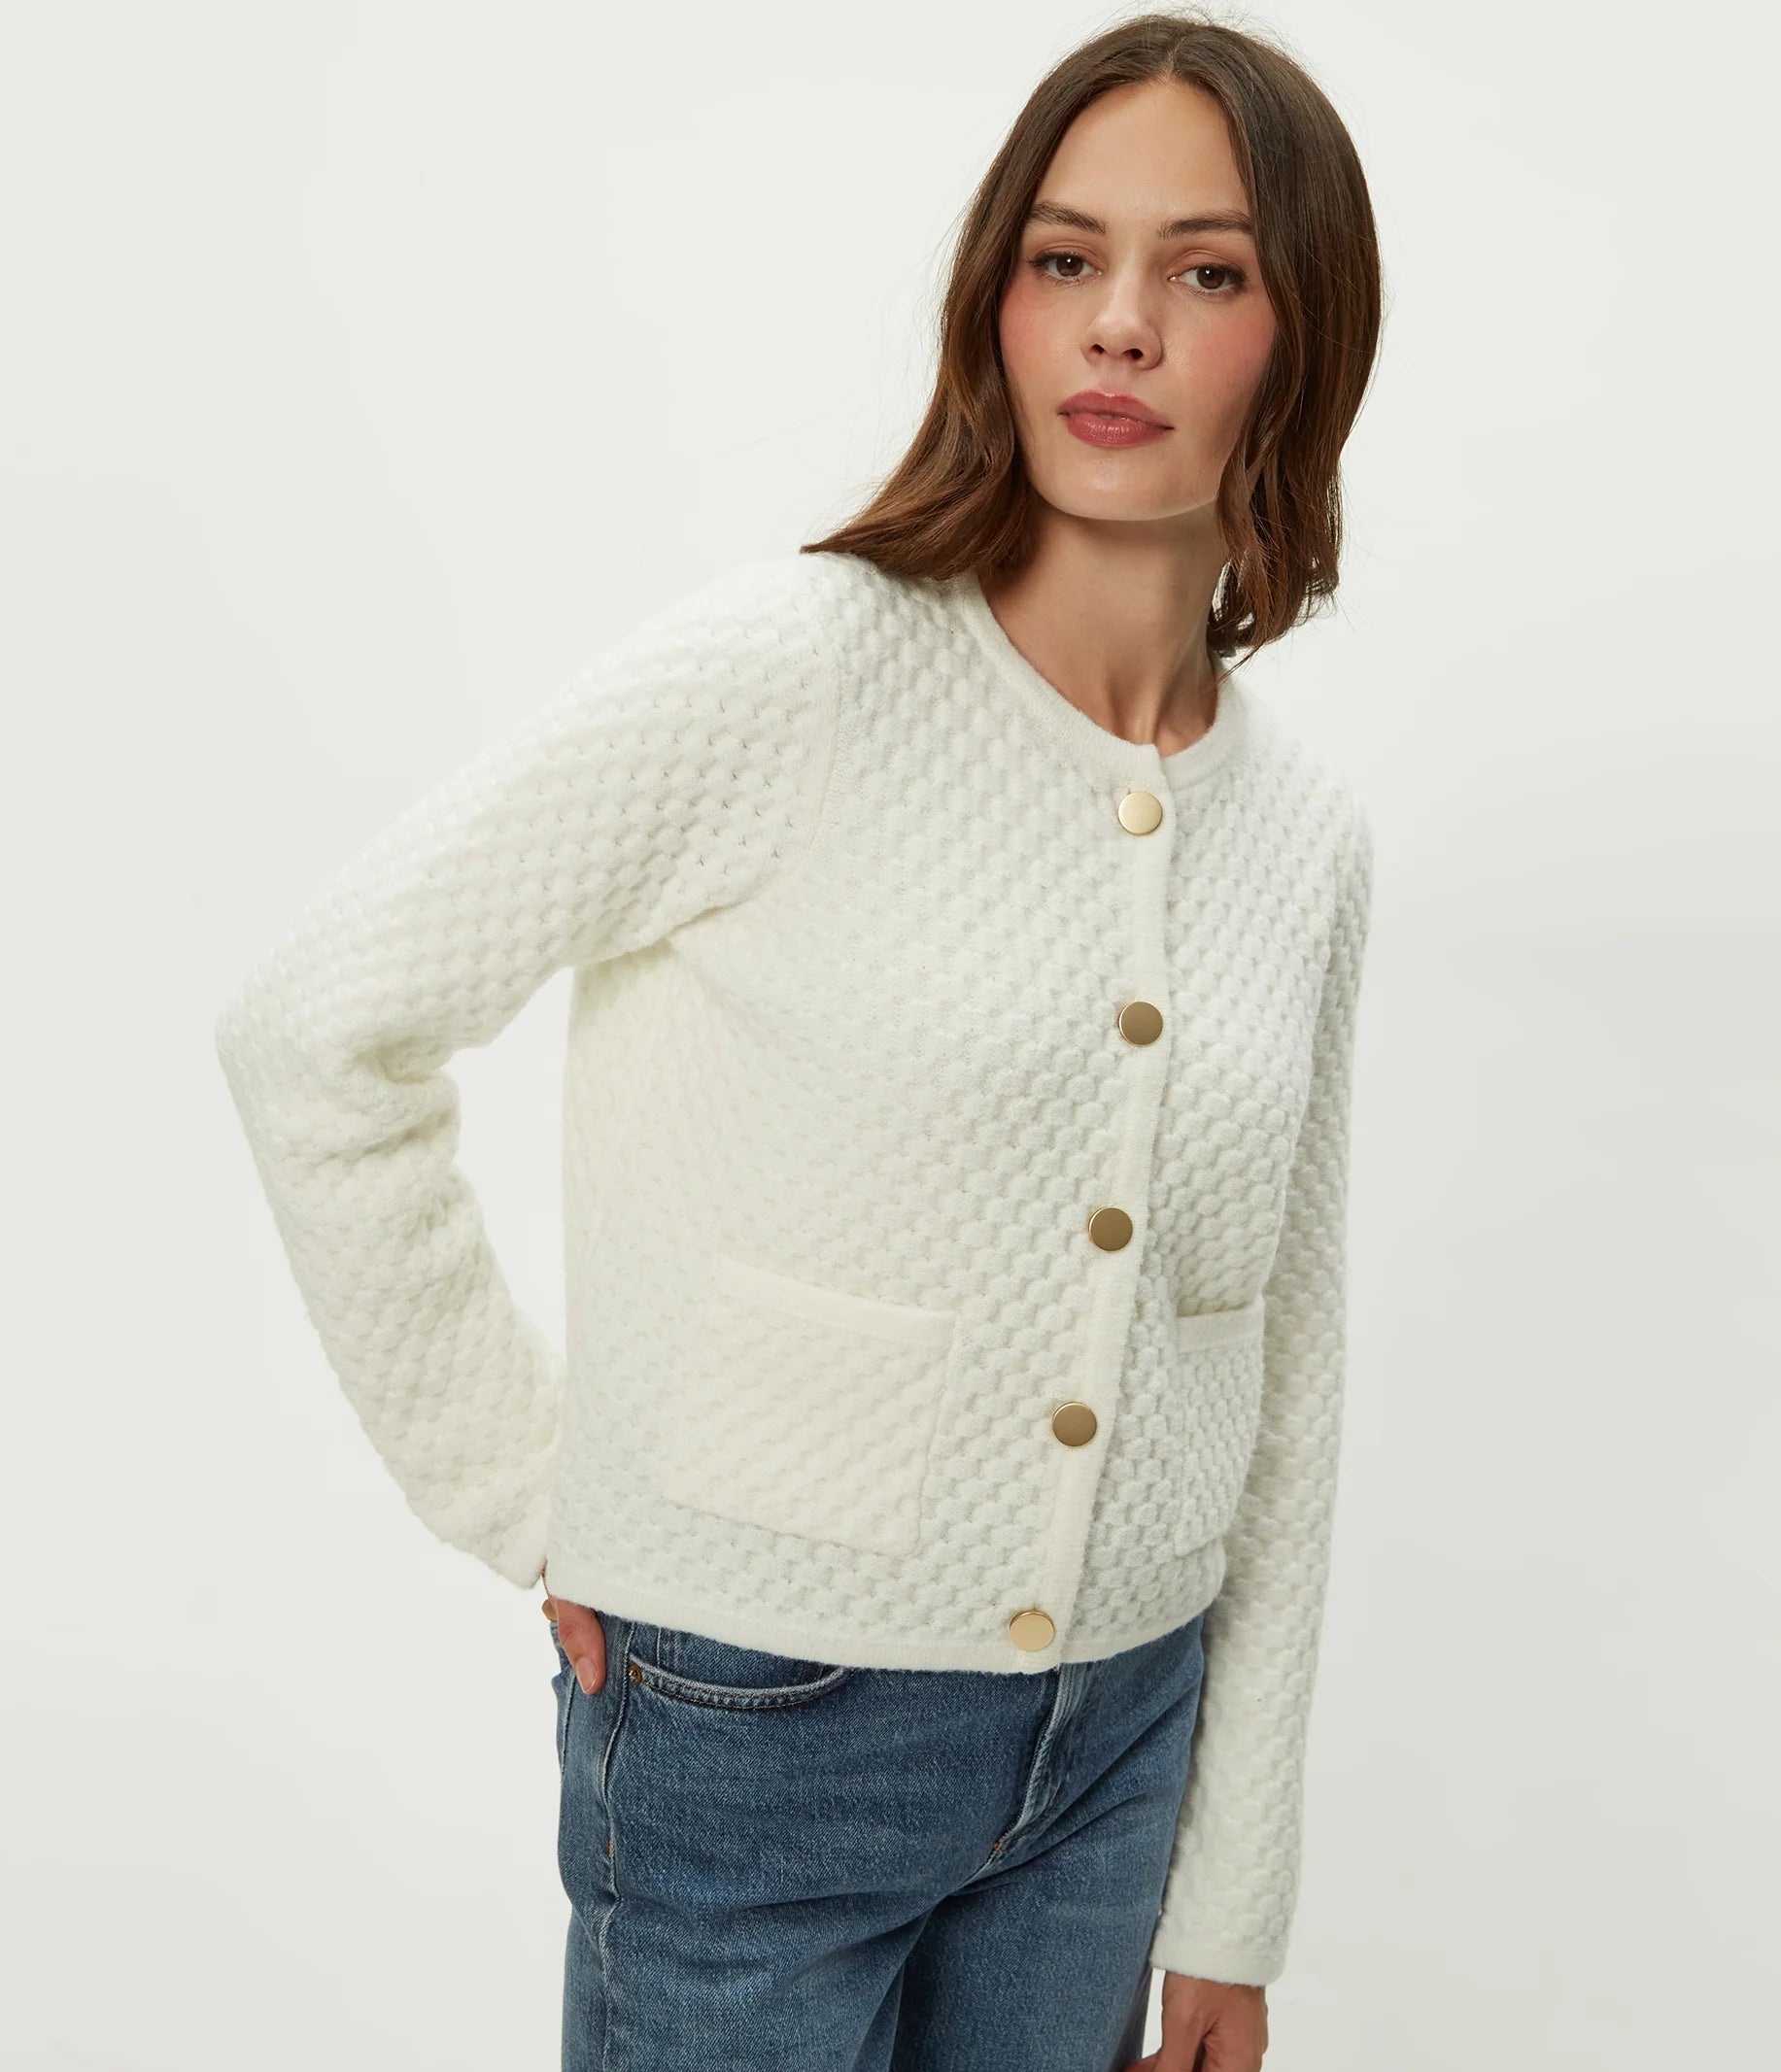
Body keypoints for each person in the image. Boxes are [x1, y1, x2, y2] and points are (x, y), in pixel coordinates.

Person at [213, 12, 1383, 2070]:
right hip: (757, 1716)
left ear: (1305, 342)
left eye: (1204, 271)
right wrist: (525, 1487)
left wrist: (1235, 1889)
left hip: (1123, 1744)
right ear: (994, 303)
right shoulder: (791, 673)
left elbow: (1276, 1360)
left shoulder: (1300, 833)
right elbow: (318, 1030)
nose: (1117, 323)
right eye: (1062, 257)